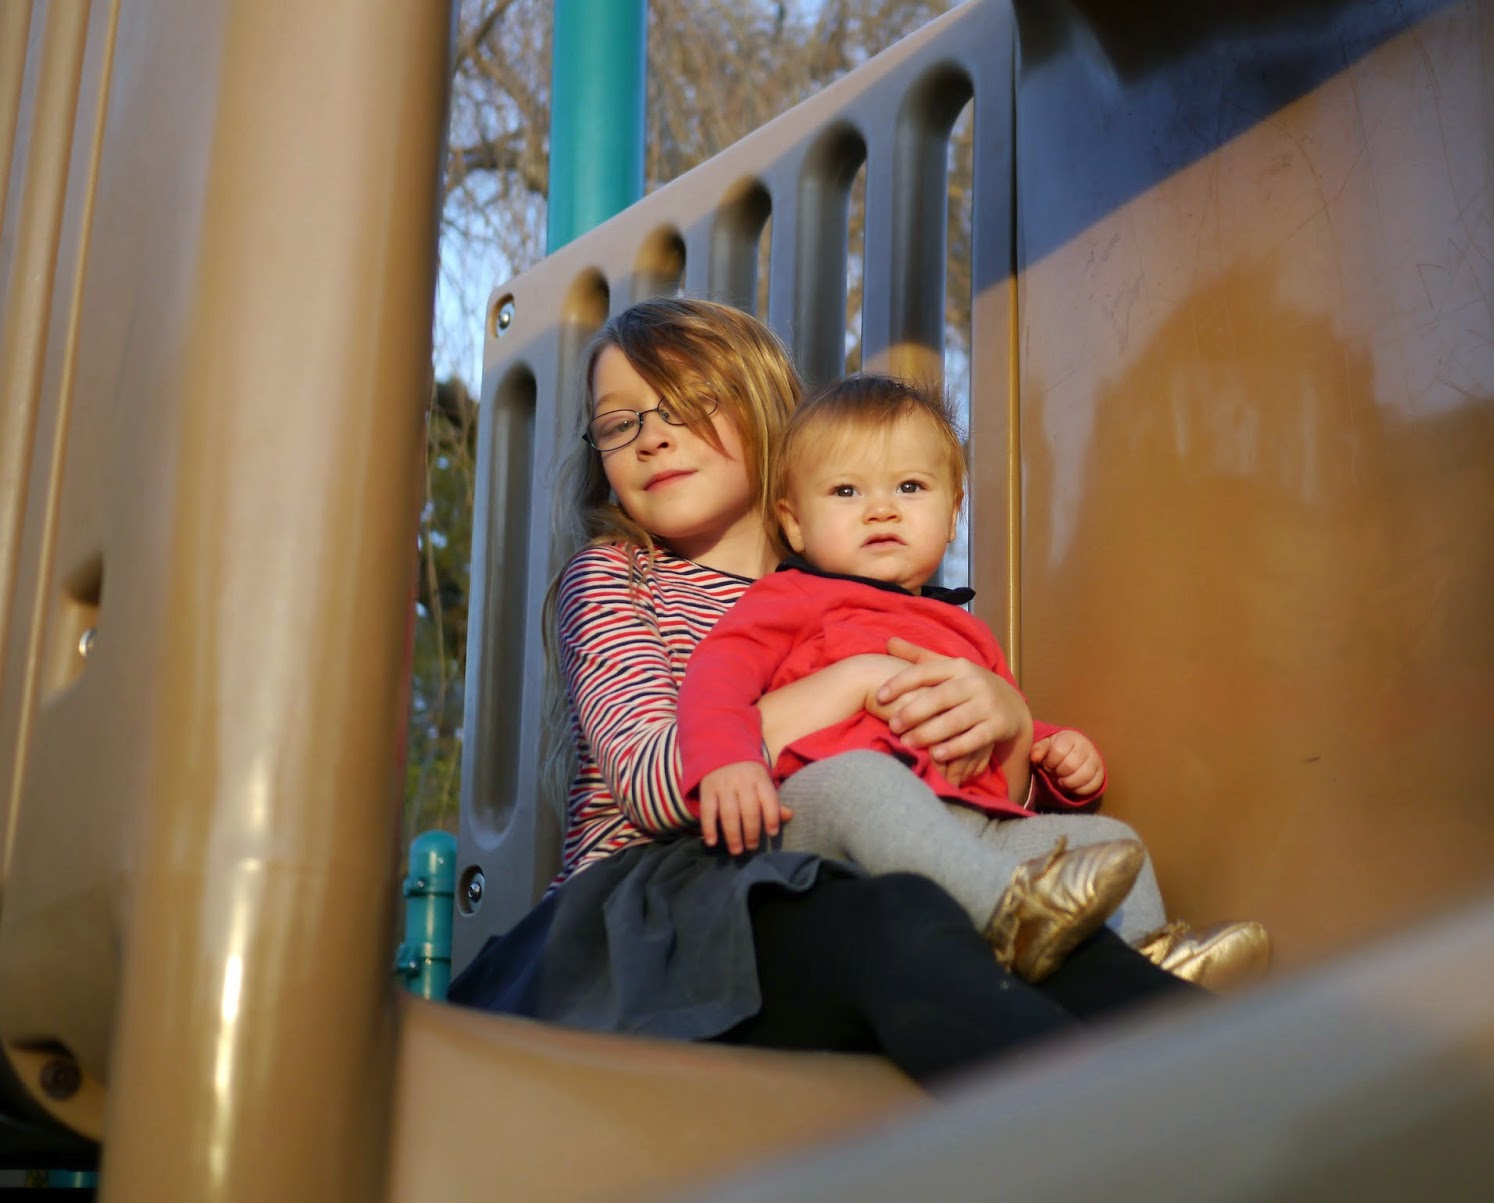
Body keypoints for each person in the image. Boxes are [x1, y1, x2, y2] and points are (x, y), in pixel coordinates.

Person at [448, 297, 1199, 1087]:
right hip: (655, 920)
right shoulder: (616, 578)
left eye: (689, 402)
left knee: (1022, 921)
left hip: (814, 875)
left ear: (764, 407)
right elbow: (652, 778)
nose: (652, 435)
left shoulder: (858, 584)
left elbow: (962, 801)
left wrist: (1011, 726)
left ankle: (1211, 1063)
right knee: (900, 917)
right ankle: (1100, 1118)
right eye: (617, 422)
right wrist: (857, 682)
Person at [677, 375, 1270, 989]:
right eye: (846, 491)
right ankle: (1013, 920)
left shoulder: (965, 632)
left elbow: (1000, 748)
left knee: (1108, 838)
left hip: (971, 827)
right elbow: (715, 677)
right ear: (795, 523)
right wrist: (727, 761)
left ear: (954, 513)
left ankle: (1144, 966)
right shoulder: (792, 597)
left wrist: (1051, 754)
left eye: (910, 487)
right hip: (824, 817)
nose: (881, 509)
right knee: (866, 782)